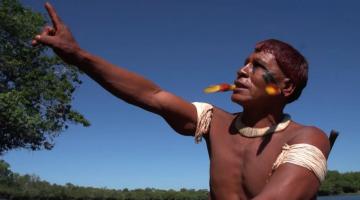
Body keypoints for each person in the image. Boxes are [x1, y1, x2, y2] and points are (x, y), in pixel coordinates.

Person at [32, 3, 330, 200]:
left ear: (286, 87)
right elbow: (152, 95)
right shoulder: (215, 121)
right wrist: (78, 56)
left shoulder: (307, 138)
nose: (242, 70)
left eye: (258, 67)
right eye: (244, 63)